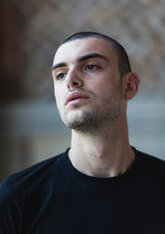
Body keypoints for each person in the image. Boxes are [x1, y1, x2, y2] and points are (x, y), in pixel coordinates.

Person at [0, 32, 164, 234]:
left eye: (90, 67)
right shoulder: (17, 197)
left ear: (129, 86)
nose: (71, 80)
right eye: (60, 74)